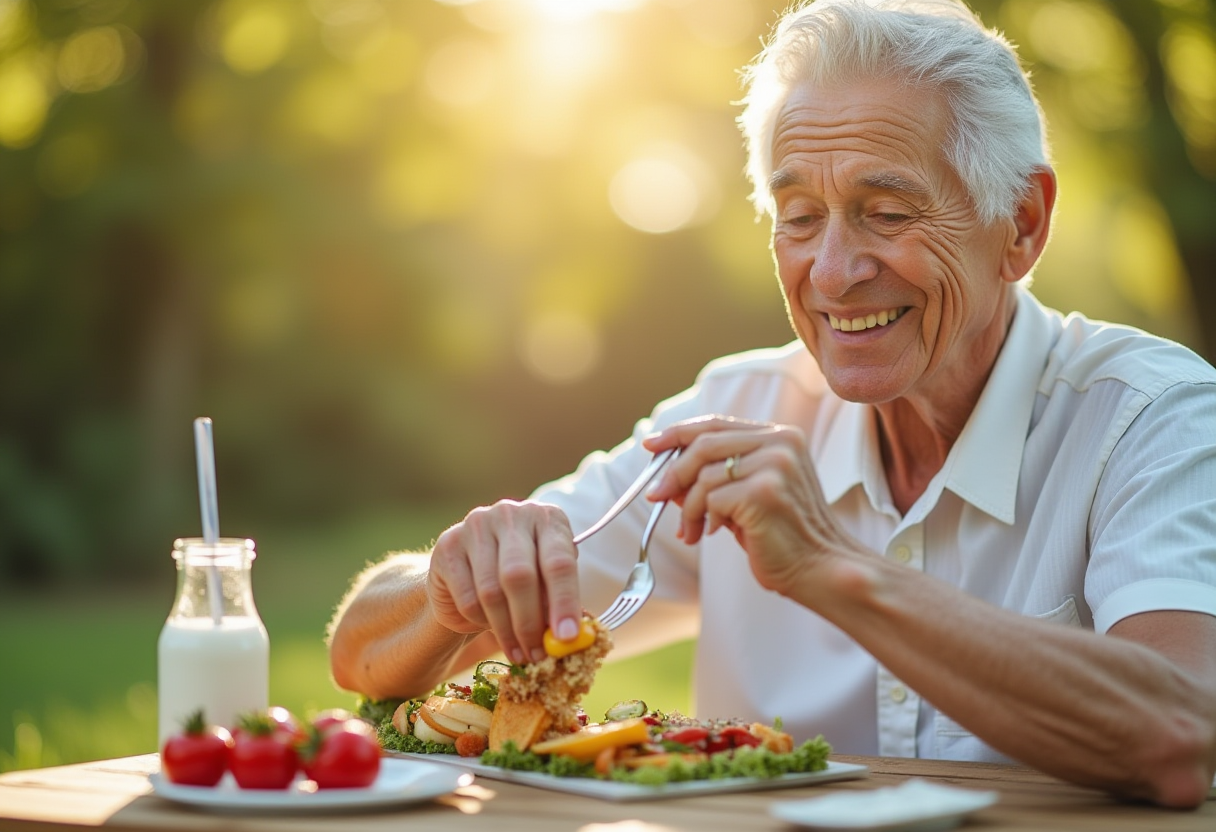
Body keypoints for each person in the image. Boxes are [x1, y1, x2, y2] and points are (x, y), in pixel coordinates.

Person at [327, 0, 1216, 807]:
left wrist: (833, 570)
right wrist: (454, 588)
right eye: (799, 217)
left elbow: (1180, 738)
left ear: (1021, 224)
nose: (831, 273)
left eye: (887, 211)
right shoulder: (739, 407)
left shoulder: (1154, 418)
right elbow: (363, 659)